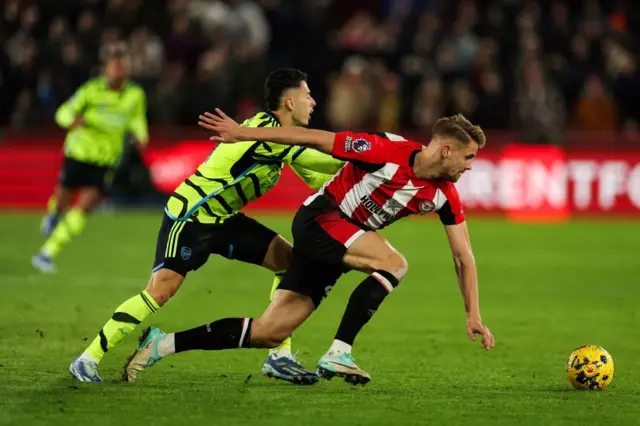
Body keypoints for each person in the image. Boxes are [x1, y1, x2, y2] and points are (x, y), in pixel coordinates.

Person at [123, 110, 495, 385]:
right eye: (468, 157)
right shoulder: (385, 149)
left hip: (342, 243)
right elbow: (317, 138)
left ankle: (162, 344)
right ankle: (340, 351)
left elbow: (464, 257)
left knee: (269, 331)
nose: (470, 166)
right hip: (320, 220)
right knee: (395, 263)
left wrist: (473, 314)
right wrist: (244, 133)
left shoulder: (444, 195)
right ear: (446, 150)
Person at [69, 69, 345, 384]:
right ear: (290, 101)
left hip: (223, 218)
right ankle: (88, 358)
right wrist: (371, 154)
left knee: (290, 262)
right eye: (308, 95)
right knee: (160, 291)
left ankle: (279, 356)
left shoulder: (276, 138)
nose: (313, 101)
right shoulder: (269, 136)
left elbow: (320, 176)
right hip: (192, 216)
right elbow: (328, 160)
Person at [32, 45, 149, 274]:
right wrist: (71, 121)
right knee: (62, 199)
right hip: (79, 153)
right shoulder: (91, 90)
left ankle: (47, 253)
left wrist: (142, 136)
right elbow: (63, 112)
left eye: (122, 67)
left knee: (86, 205)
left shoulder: (135, 95)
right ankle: (54, 214)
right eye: (114, 66)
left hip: (105, 159)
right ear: (105, 69)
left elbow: (137, 119)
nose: (118, 71)